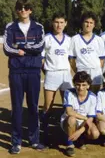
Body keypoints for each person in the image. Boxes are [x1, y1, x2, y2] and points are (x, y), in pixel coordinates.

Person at [3, 0, 46, 154]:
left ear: (30, 10)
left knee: (33, 107)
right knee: (17, 107)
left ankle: (34, 140)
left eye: (26, 8)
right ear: (17, 10)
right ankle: (16, 142)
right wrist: (21, 49)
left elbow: (40, 47)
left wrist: (21, 47)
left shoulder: (38, 27)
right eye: (20, 8)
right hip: (16, 71)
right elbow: (7, 48)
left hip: (33, 71)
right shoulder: (10, 27)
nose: (23, 10)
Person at [41, 12, 73, 145]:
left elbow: (71, 59)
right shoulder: (46, 38)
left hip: (65, 74)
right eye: (56, 22)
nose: (59, 25)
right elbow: (41, 58)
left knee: (68, 105)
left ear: (65, 23)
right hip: (52, 74)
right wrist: (48, 71)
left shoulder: (69, 39)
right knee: (48, 106)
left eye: (61, 22)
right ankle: (44, 133)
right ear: (52, 23)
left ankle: (67, 134)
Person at [61, 71, 100, 157]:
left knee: (95, 134)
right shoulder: (68, 92)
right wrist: (85, 118)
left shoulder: (93, 97)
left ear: (88, 86)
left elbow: (90, 118)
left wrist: (79, 132)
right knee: (72, 118)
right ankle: (70, 144)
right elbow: (69, 112)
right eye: (78, 84)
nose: (80, 88)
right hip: (68, 122)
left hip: (84, 123)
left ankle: (80, 139)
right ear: (74, 84)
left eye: (83, 85)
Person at [69, 11, 105, 94]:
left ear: (94, 24)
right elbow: (72, 60)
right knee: (81, 98)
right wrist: (79, 70)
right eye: (86, 22)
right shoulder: (75, 39)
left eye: (91, 23)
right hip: (82, 72)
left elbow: (102, 60)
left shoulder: (99, 40)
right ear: (82, 23)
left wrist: (95, 68)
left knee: (95, 98)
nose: (88, 25)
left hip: (95, 73)